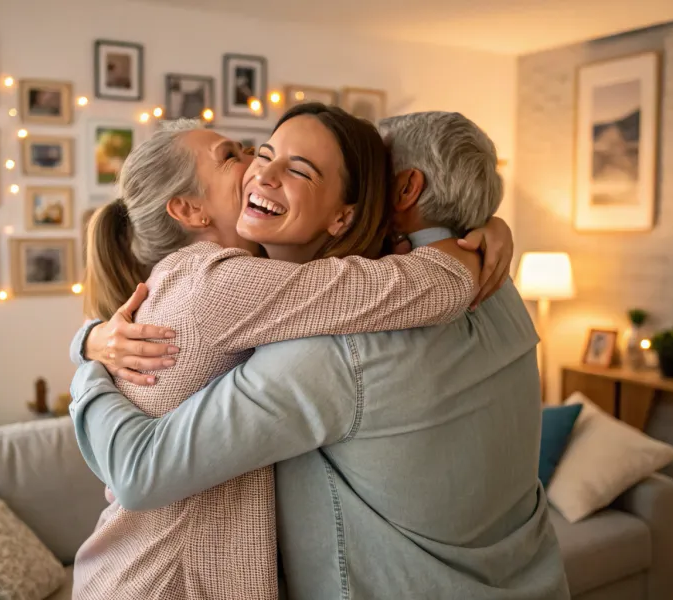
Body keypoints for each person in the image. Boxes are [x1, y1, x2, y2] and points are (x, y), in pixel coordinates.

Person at [69, 110, 569, 599]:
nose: (255, 170)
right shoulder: (503, 292)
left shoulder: (327, 349)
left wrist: (88, 357)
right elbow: (139, 471)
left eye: (372, 170)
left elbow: (140, 469)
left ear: (401, 190)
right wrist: (90, 355)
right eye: (253, 155)